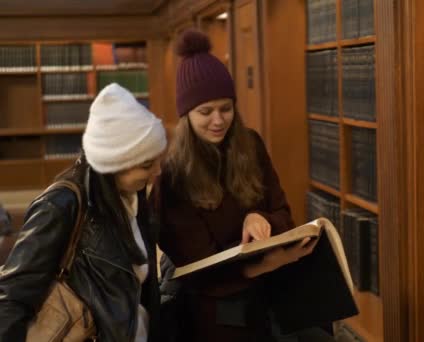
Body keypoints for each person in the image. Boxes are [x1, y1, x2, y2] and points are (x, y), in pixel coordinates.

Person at [153, 29, 321, 341]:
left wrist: (261, 218)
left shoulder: (252, 145)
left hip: (274, 294)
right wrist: (267, 263)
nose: (218, 120)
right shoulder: (174, 178)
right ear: (186, 115)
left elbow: (284, 214)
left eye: (226, 108)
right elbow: (200, 271)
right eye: (205, 112)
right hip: (215, 313)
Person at [0, 83, 167, 342]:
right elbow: (12, 297)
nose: (157, 171)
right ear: (114, 164)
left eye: (157, 160)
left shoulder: (133, 197)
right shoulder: (61, 204)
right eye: (146, 165)